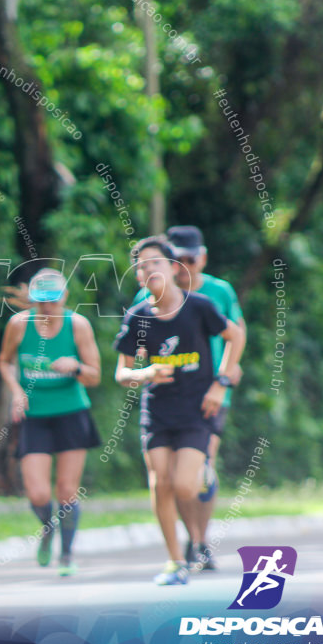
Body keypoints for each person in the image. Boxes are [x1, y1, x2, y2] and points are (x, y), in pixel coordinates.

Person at [114, 237, 243, 585]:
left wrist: (220, 383)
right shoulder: (138, 317)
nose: (147, 269)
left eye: (154, 262)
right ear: (138, 276)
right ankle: (174, 562)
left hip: (197, 410)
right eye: (140, 266)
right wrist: (146, 373)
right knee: (161, 483)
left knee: (186, 487)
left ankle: (204, 474)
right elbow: (122, 373)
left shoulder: (199, 306)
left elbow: (236, 337)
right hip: (157, 411)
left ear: (173, 268)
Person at [0, 269, 102, 577]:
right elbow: (4, 361)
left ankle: (67, 555)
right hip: (35, 417)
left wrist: (77, 367)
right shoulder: (18, 325)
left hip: (71, 413)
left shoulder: (78, 326)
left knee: (67, 491)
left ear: (64, 298)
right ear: (32, 301)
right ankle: (48, 529)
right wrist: (16, 391)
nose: (47, 308)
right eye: (41, 302)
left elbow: (95, 376)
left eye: (53, 302)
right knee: (38, 494)